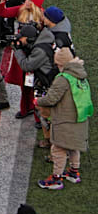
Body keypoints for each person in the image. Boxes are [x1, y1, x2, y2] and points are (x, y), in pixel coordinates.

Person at [36, 48, 91, 190]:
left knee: (58, 148)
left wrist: (38, 101)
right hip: (80, 118)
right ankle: (74, 172)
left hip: (64, 119)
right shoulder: (81, 75)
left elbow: (51, 99)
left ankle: (56, 179)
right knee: (73, 146)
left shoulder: (63, 79)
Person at [0, 0, 46, 120]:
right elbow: (2, 12)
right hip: (21, 51)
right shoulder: (21, 9)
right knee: (24, 84)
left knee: (37, 85)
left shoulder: (43, 15)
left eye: (30, 0)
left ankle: (37, 117)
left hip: (36, 54)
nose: (26, 1)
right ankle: (26, 109)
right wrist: (1, 3)